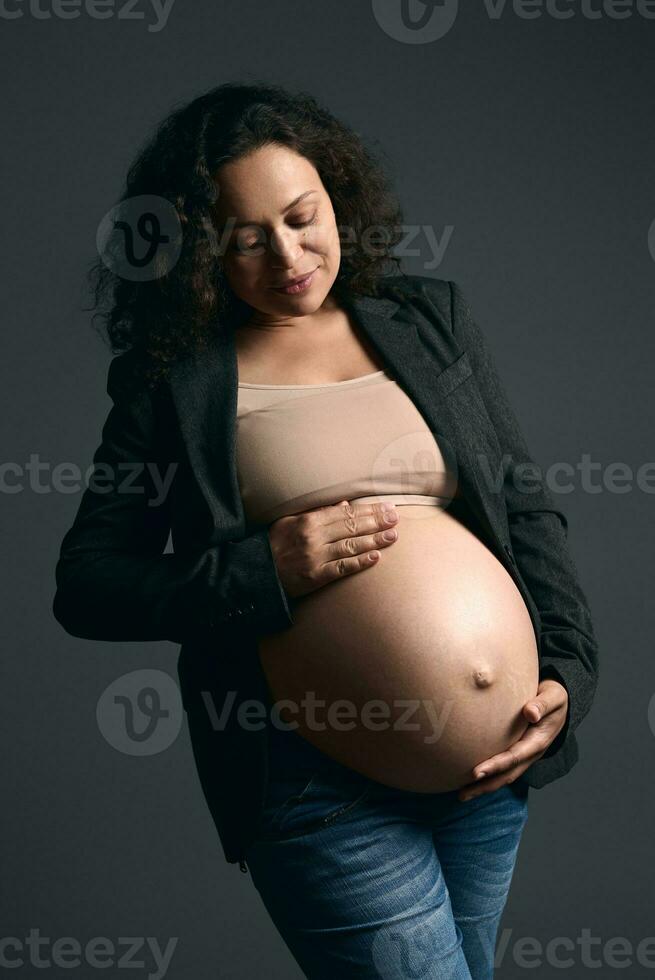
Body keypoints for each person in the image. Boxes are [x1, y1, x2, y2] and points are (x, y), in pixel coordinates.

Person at [53, 81, 600, 979]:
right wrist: (260, 568)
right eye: (245, 239)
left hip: (489, 771)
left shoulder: (428, 319)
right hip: (313, 781)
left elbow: (523, 505)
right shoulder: (173, 381)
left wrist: (568, 677)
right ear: (201, 254)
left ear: (335, 197)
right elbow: (87, 582)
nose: (289, 254)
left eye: (303, 216)